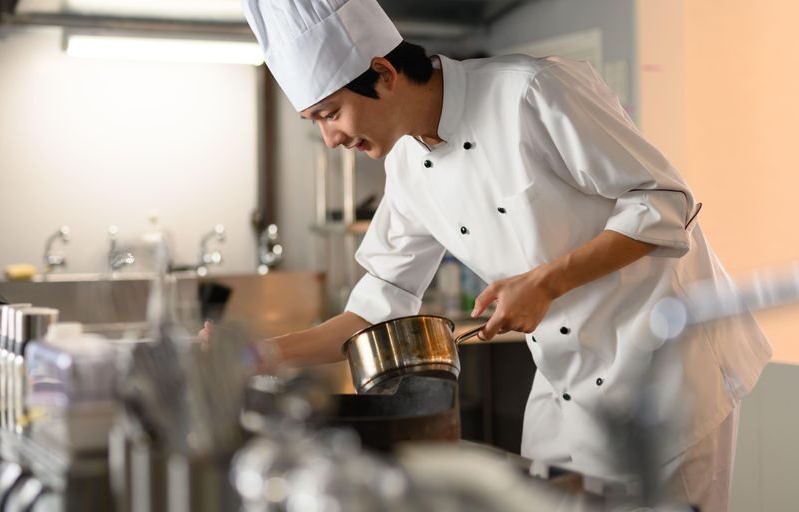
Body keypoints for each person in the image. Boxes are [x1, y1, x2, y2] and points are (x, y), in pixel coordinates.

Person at [203, 1, 773, 509]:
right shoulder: (406, 167)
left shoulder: (531, 92)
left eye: (330, 114)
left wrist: (545, 284)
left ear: (383, 73)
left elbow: (665, 202)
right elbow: (374, 310)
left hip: (667, 372)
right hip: (567, 388)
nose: (330, 140)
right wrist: (257, 355)